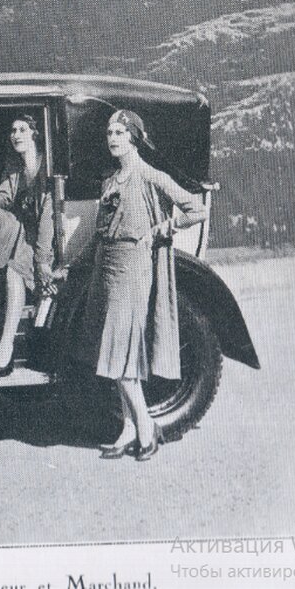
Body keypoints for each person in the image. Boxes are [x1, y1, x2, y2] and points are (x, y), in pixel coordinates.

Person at [79, 109, 206, 462]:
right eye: (109, 133)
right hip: (106, 268)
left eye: (120, 133)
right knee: (116, 357)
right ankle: (128, 428)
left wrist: (164, 228)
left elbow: (197, 209)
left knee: (121, 356)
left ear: (134, 137)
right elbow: (100, 231)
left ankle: (147, 429)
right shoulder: (110, 181)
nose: (113, 138)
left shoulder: (150, 175)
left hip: (133, 269)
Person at [0, 115, 54, 377]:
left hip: (47, 236)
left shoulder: (47, 164)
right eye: (13, 130)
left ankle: (6, 348)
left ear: (35, 134)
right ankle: (7, 346)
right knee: (12, 271)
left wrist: (42, 258)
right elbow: (5, 197)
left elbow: (48, 215)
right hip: (24, 232)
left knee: (14, 273)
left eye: (22, 129)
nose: (16, 135)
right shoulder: (14, 165)